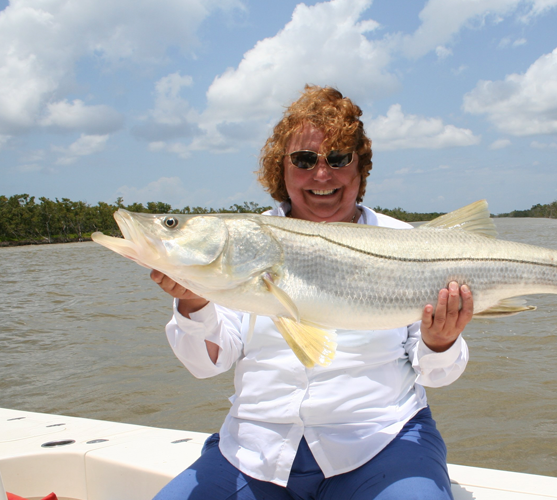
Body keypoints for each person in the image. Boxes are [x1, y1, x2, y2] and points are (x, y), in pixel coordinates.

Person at [150, 85, 473, 500]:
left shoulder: (409, 244)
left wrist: (441, 340)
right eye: (304, 160)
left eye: (338, 159)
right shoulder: (242, 240)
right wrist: (194, 300)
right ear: (280, 169)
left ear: (361, 168)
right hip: (256, 451)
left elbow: (438, 374)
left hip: (381, 442)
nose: (322, 175)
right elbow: (206, 365)